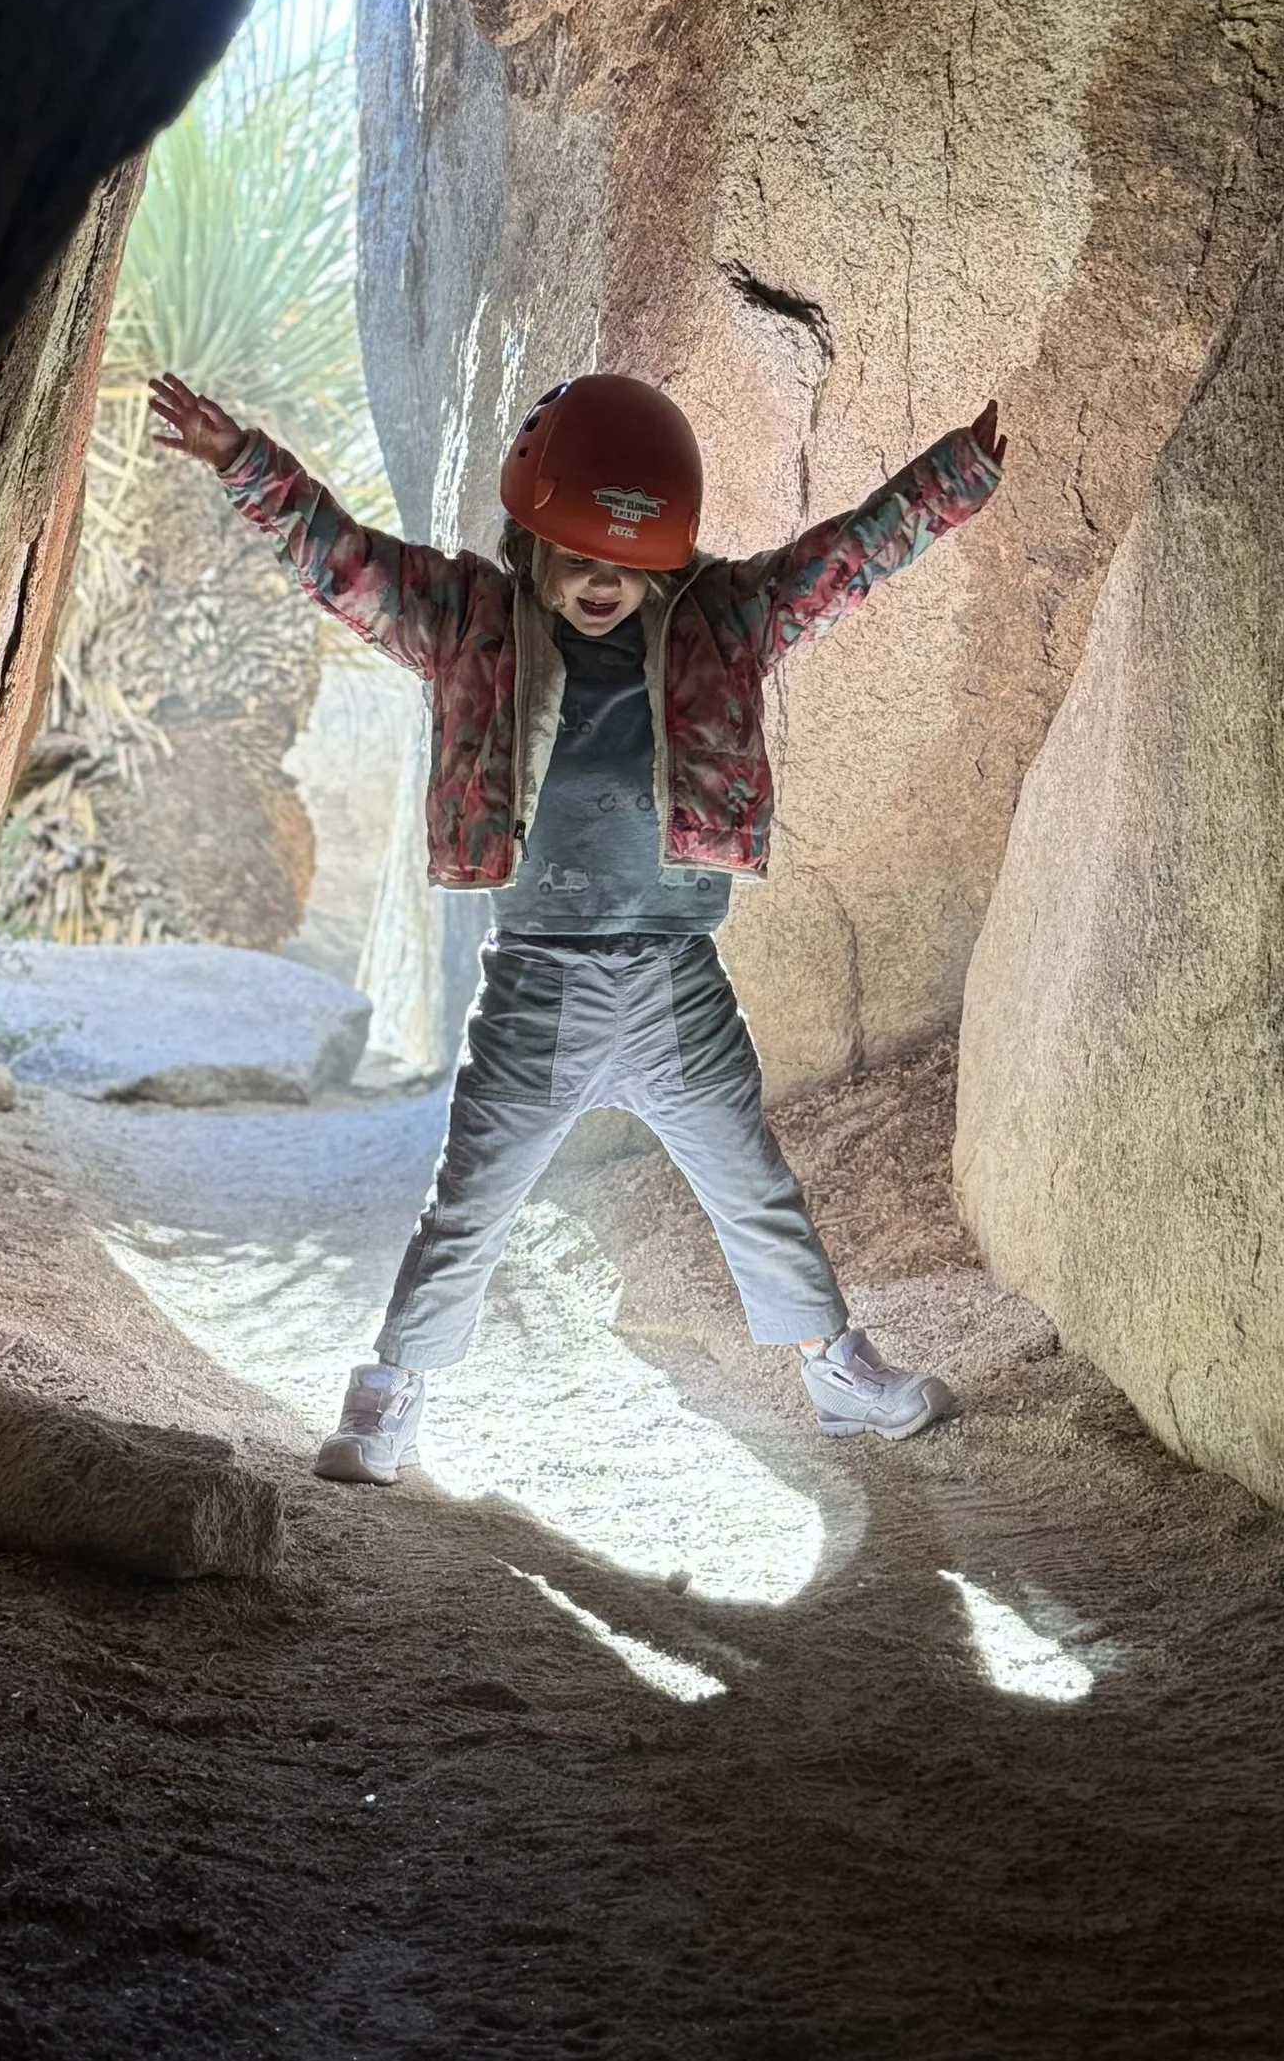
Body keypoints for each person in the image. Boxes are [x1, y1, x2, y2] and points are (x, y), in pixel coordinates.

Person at [146, 363, 1008, 1484]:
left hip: (676, 979)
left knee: (749, 1184)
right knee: (472, 1197)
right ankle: (388, 1392)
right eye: (578, 559)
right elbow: (342, 560)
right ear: (533, 538)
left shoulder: (727, 620)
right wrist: (241, 460)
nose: (602, 584)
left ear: (669, 558)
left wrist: (959, 474)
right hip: (537, 985)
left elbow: (843, 560)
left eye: (629, 565)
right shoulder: (463, 618)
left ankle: (835, 1371)